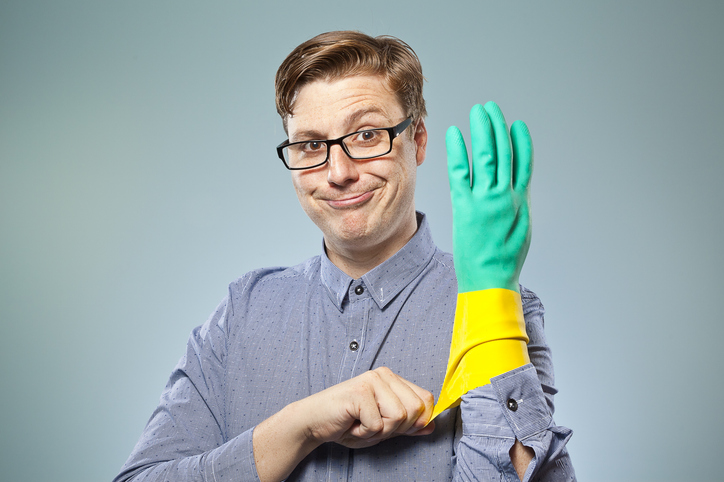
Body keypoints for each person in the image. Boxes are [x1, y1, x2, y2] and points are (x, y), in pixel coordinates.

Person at [114, 31, 575, 482]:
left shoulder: (503, 310)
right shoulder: (242, 312)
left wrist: (490, 295)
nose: (338, 173)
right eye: (311, 145)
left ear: (417, 141)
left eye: (367, 135)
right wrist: (301, 426)